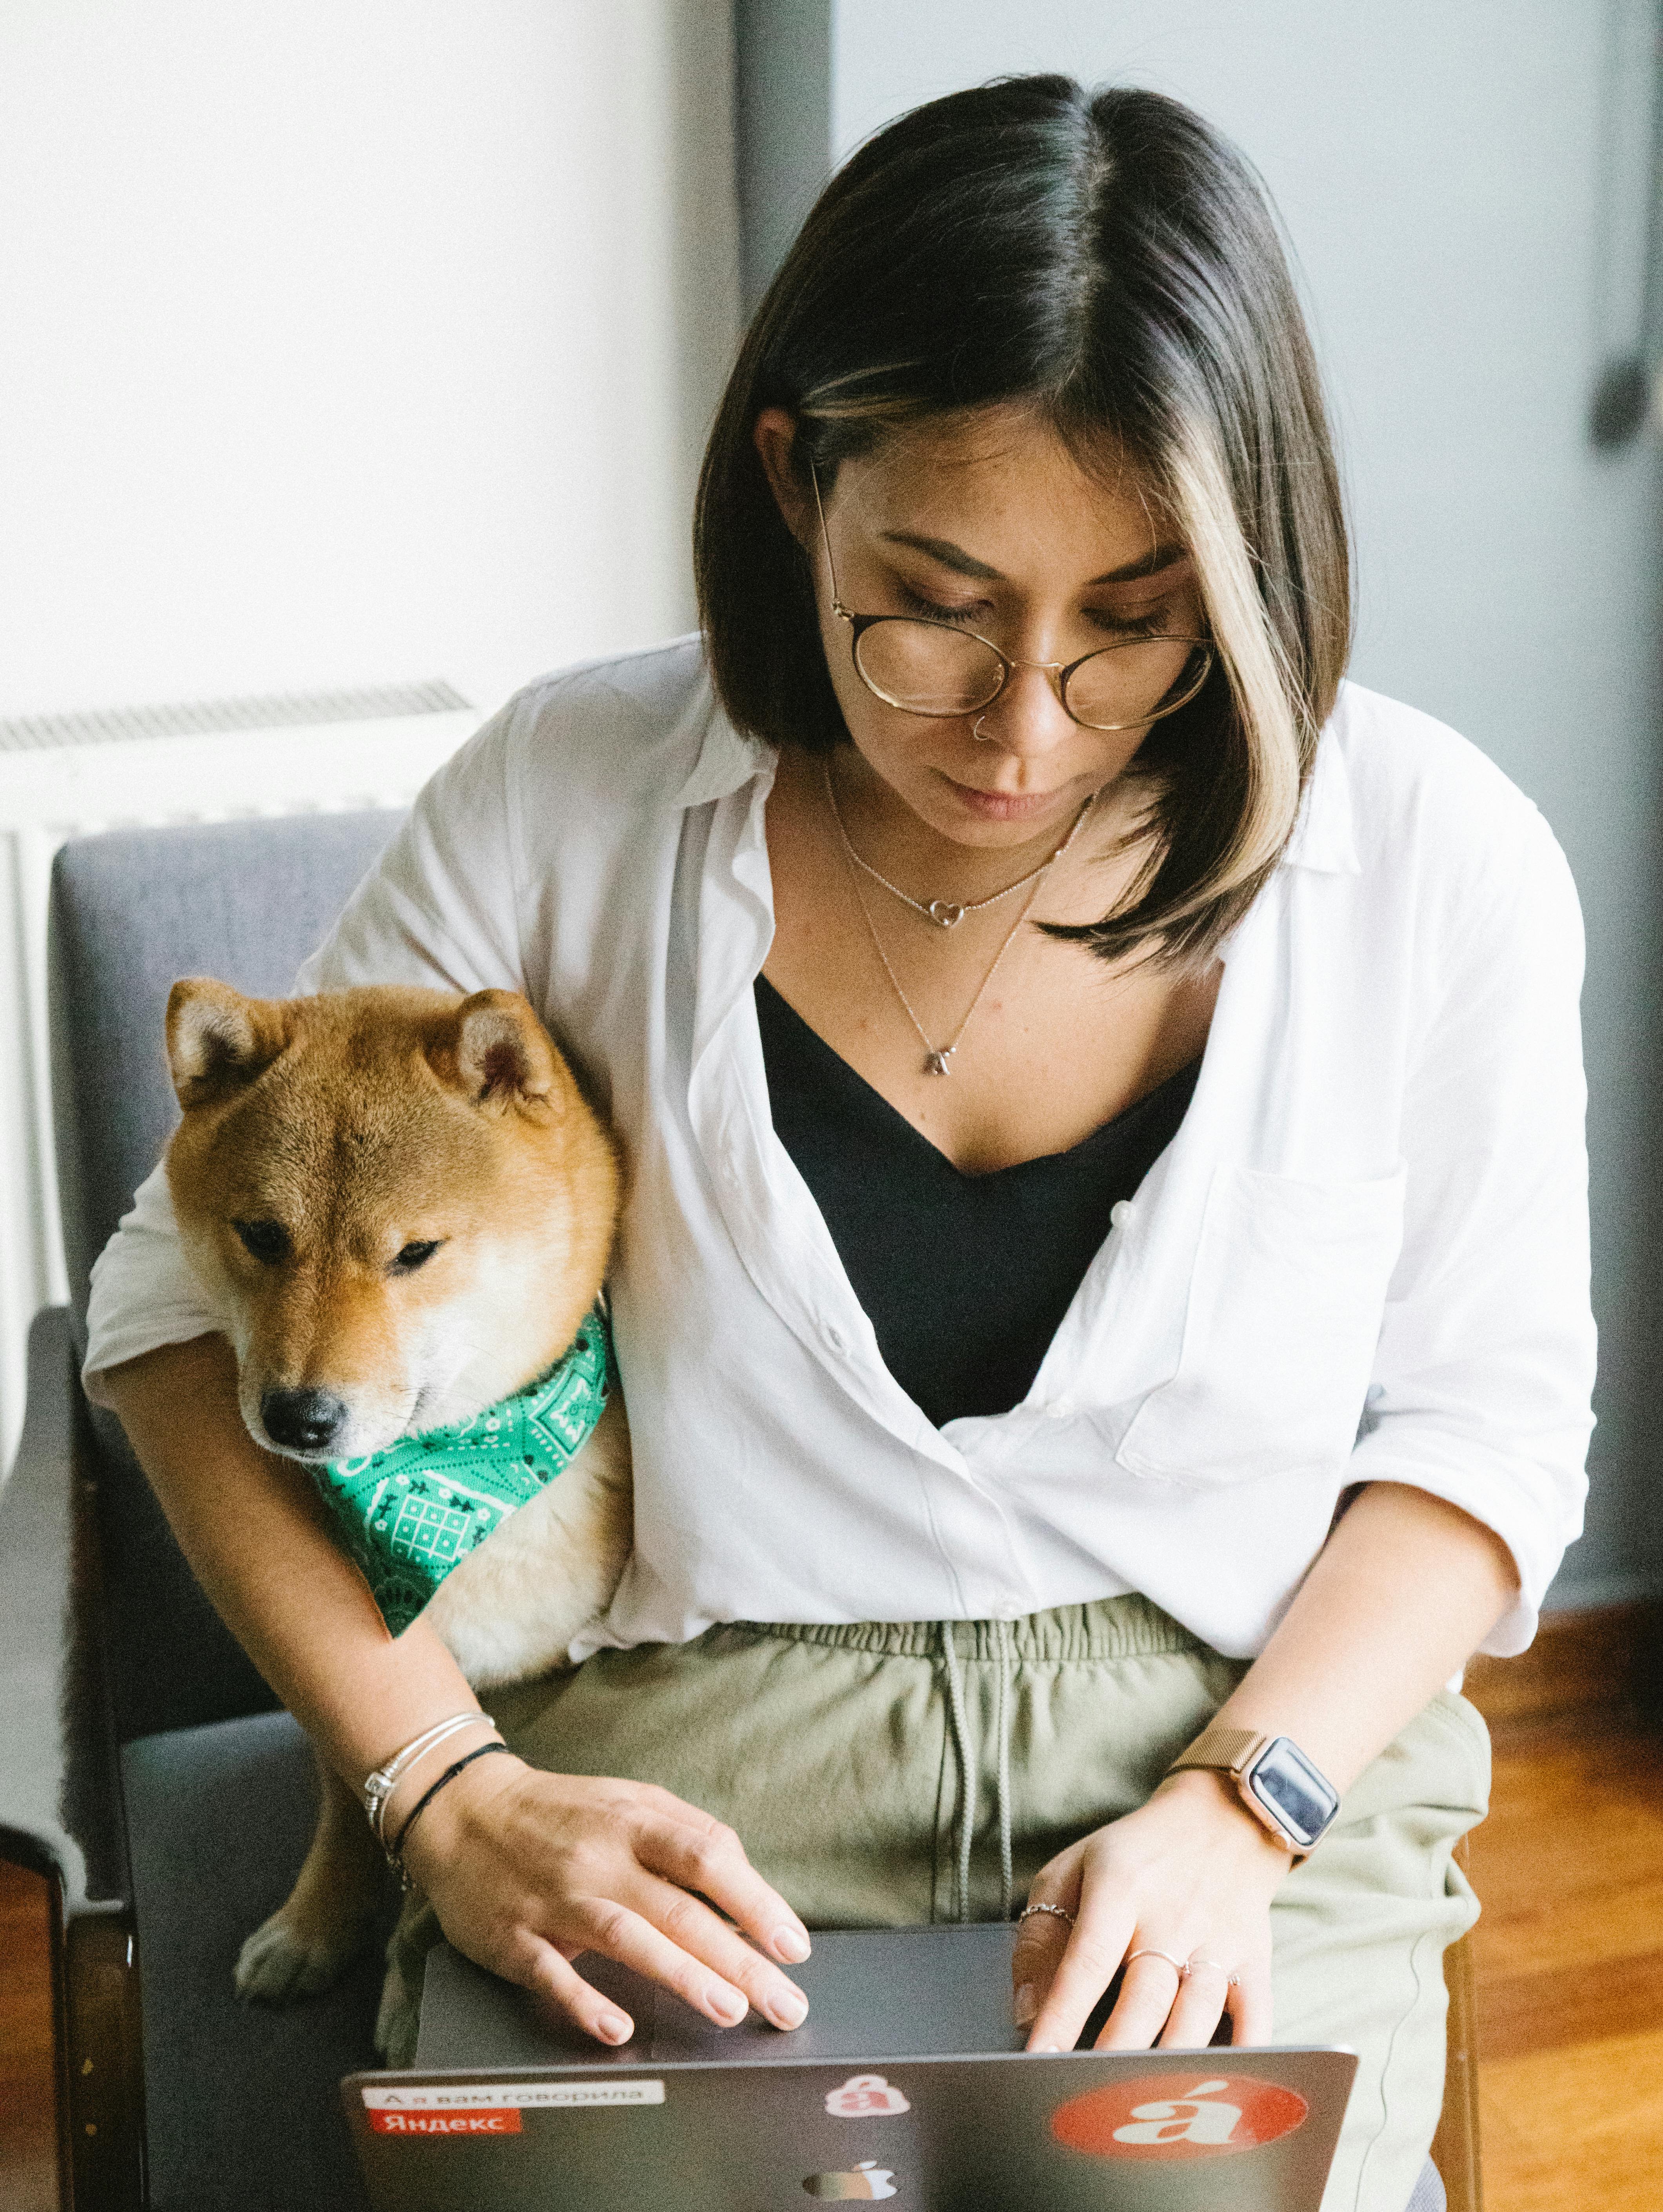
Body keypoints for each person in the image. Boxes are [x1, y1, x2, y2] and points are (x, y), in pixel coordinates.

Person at [86, 77, 1592, 2212]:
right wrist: (443, 1785)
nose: (1023, 726)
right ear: (795, 480)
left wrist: (1242, 1806)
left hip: (1242, 1735)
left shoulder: (1438, 857)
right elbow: (165, 1303)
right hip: (694, 1729)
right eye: (934, 602)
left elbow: (1487, 1431)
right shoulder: (570, 795)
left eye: (1134, 616)